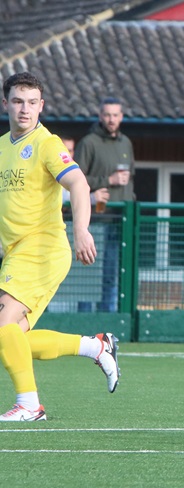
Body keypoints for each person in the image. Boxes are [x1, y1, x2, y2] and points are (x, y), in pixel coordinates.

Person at [0, 72, 120, 421]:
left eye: (32, 103)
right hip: (17, 253)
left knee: (3, 323)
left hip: (43, 249)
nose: (25, 109)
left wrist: (81, 229)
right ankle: (96, 347)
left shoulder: (46, 143)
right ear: (5, 103)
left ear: (41, 106)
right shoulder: (3, 146)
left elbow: (79, 185)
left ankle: (28, 404)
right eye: (18, 101)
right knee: (12, 337)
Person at [75, 96, 134, 313]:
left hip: (121, 223)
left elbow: (131, 179)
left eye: (115, 115)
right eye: (107, 114)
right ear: (100, 116)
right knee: (89, 277)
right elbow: (75, 179)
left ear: (121, 117)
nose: (111, 119)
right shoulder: (88, 143)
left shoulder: (126, 143)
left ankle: (109, 319)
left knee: (114, 275)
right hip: (96, 222)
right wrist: (107, 181)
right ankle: (84, 319)